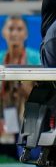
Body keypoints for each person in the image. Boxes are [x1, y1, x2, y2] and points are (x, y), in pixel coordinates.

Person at [0, 16, 41, 149]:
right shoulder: (1, 58)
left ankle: (26, 138)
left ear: (26, 34)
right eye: (11, 29)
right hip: (5, 107)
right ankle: (8, 140)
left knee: (26, 81)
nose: (15, 33)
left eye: (19, 29)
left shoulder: (35, 58)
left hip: (28, 105)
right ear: (3, 32)